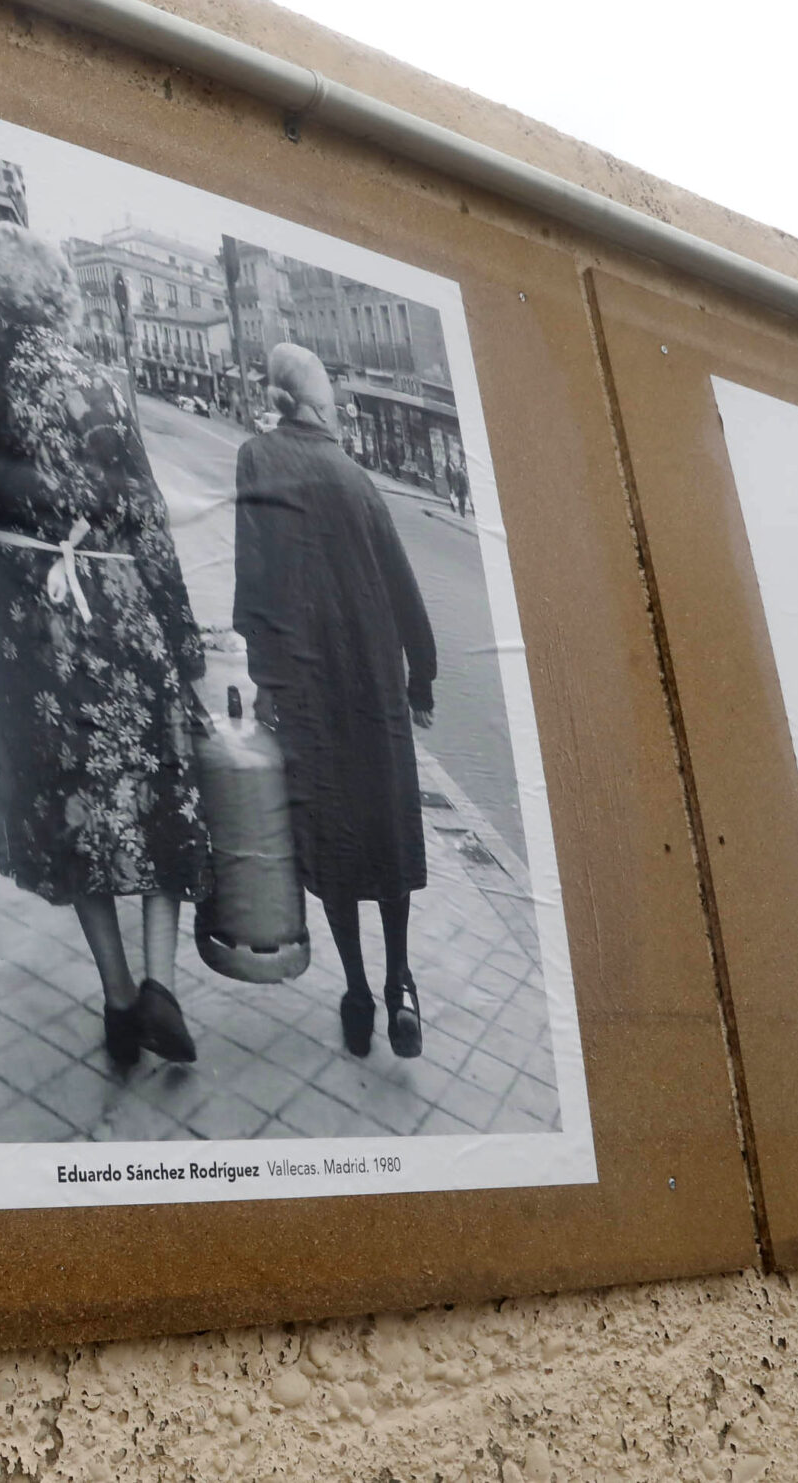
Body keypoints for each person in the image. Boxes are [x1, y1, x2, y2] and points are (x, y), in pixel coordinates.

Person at [0, 222, 212, 1070]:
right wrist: (181, 640)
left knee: (72, 799)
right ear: (62, 295)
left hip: (38, 624)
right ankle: (162, 985)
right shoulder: (104, 383)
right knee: (155, 788)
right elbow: (149, 519)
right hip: (125, 608)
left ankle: (118, 1000)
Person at [233, 343, 439, 1059]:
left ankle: (355, 990)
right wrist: (424, 679)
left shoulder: (256, 459)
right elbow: (403, 584)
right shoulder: (355, 477)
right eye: (331, 396)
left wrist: (261, 679)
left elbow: (252, 580)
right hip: (373, 682)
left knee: (334, 839)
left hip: (305, 684)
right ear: (314, 402)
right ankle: (401, 982)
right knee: (384, 829)